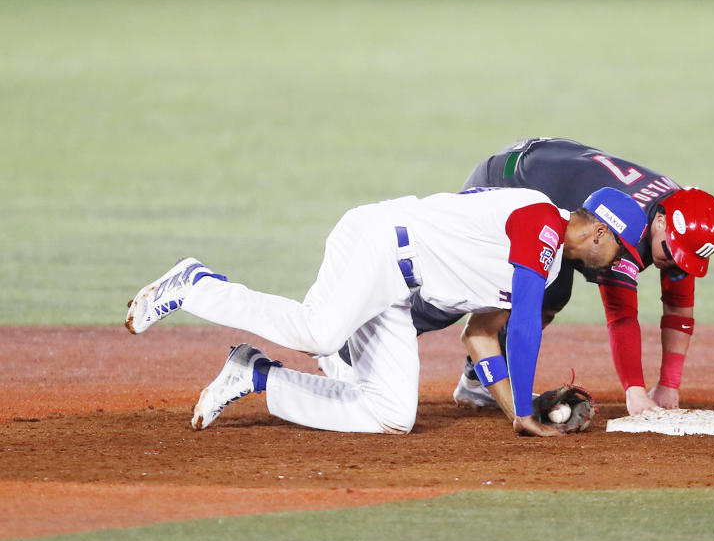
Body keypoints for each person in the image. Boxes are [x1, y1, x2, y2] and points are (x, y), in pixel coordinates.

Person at [124, 186, 648, 437]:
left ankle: (256, 375)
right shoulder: (540, 220)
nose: (618, 264)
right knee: (320, 333)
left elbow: (482, 336)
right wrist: (531, 414)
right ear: (599, 231)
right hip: (378, 243)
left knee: (391, 416)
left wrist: (515, 411)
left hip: (397, 288)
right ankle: (195, 284)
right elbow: (527, 319)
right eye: (620, 252)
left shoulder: (550, 261)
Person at [336, 138, 714, 415]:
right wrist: (636, 393)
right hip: (513, 178)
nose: (674, 264)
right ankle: (344, 349)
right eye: (671, 255)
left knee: (553, 291)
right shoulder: (631, 228)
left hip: (562, 198)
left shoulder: (678, 224)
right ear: (659, 223)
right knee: (477, 290)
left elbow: (678, 303)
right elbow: (621, 314)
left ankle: (476, 383)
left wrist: (669, 385)